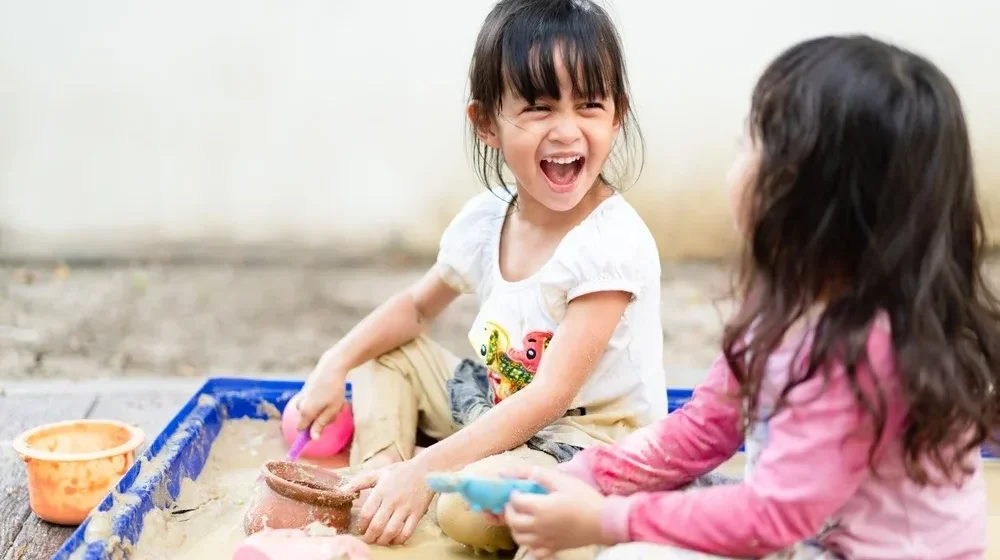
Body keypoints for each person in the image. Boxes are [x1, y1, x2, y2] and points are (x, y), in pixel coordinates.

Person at [496, 34, 999, 560]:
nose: (737, 159)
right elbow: (699, 431)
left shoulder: (864, 350)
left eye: (749, 141)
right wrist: (573, 478)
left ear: (803, 193)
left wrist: (605, 520)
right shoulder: (784, 311)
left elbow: (769, 516)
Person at [292, 0, 665, 552]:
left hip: (588, 444)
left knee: (464, 508)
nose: (567, 130)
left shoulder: (608, 246)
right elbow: (416, 309)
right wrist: (334, 362)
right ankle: (376, 479)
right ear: (487, 122)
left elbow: (549, 398)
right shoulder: (488, 217)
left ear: (616, 115)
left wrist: (432, 471)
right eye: (539, 107)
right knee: (385, 353)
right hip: (497, 406)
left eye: (589, 105)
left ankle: (557, 519)